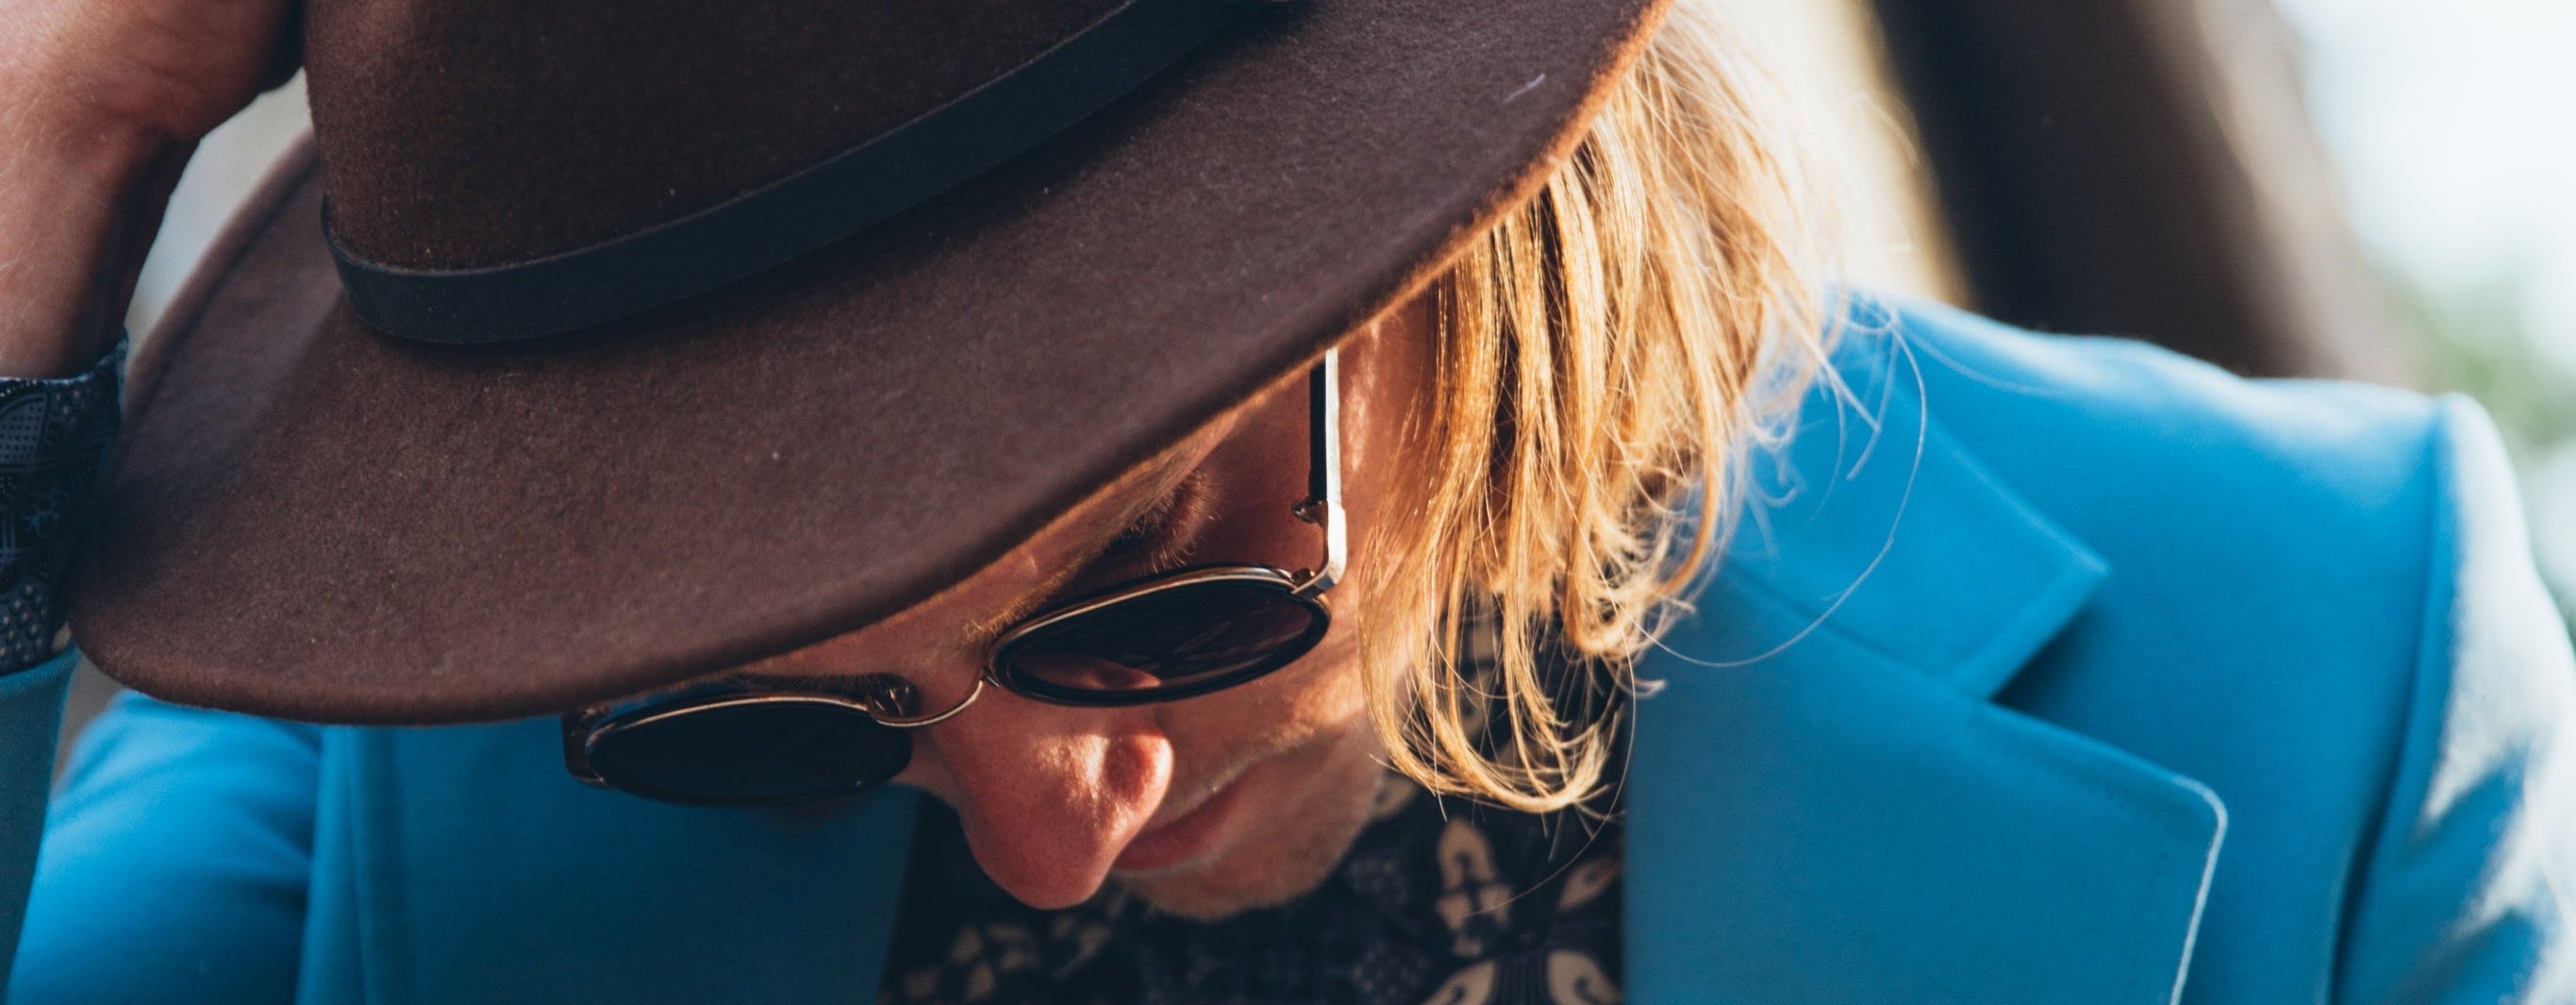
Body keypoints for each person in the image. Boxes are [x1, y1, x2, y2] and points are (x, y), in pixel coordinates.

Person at [2, 0, 2571, 1001]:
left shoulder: (2335, 659)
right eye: (775, 711)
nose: (1045, 837)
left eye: (1144, 583)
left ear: (1456, 240)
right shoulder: (402, 765)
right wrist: (50, 148)